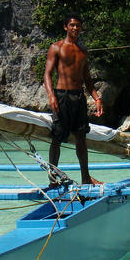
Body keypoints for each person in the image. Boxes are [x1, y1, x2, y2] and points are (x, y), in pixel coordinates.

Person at [43, 12, 103, 186]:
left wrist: (97, 99)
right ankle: (53, 179)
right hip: (62, 96)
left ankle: (86, 178)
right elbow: (47, 74)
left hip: (78, 97)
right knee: (57, 137)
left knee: (81, 138)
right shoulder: (56, 47)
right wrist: (51, 95)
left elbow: (88, 79)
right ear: (65, 27)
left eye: (78, 25)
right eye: (72, 25)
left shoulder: (83, 51)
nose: (75, 28)